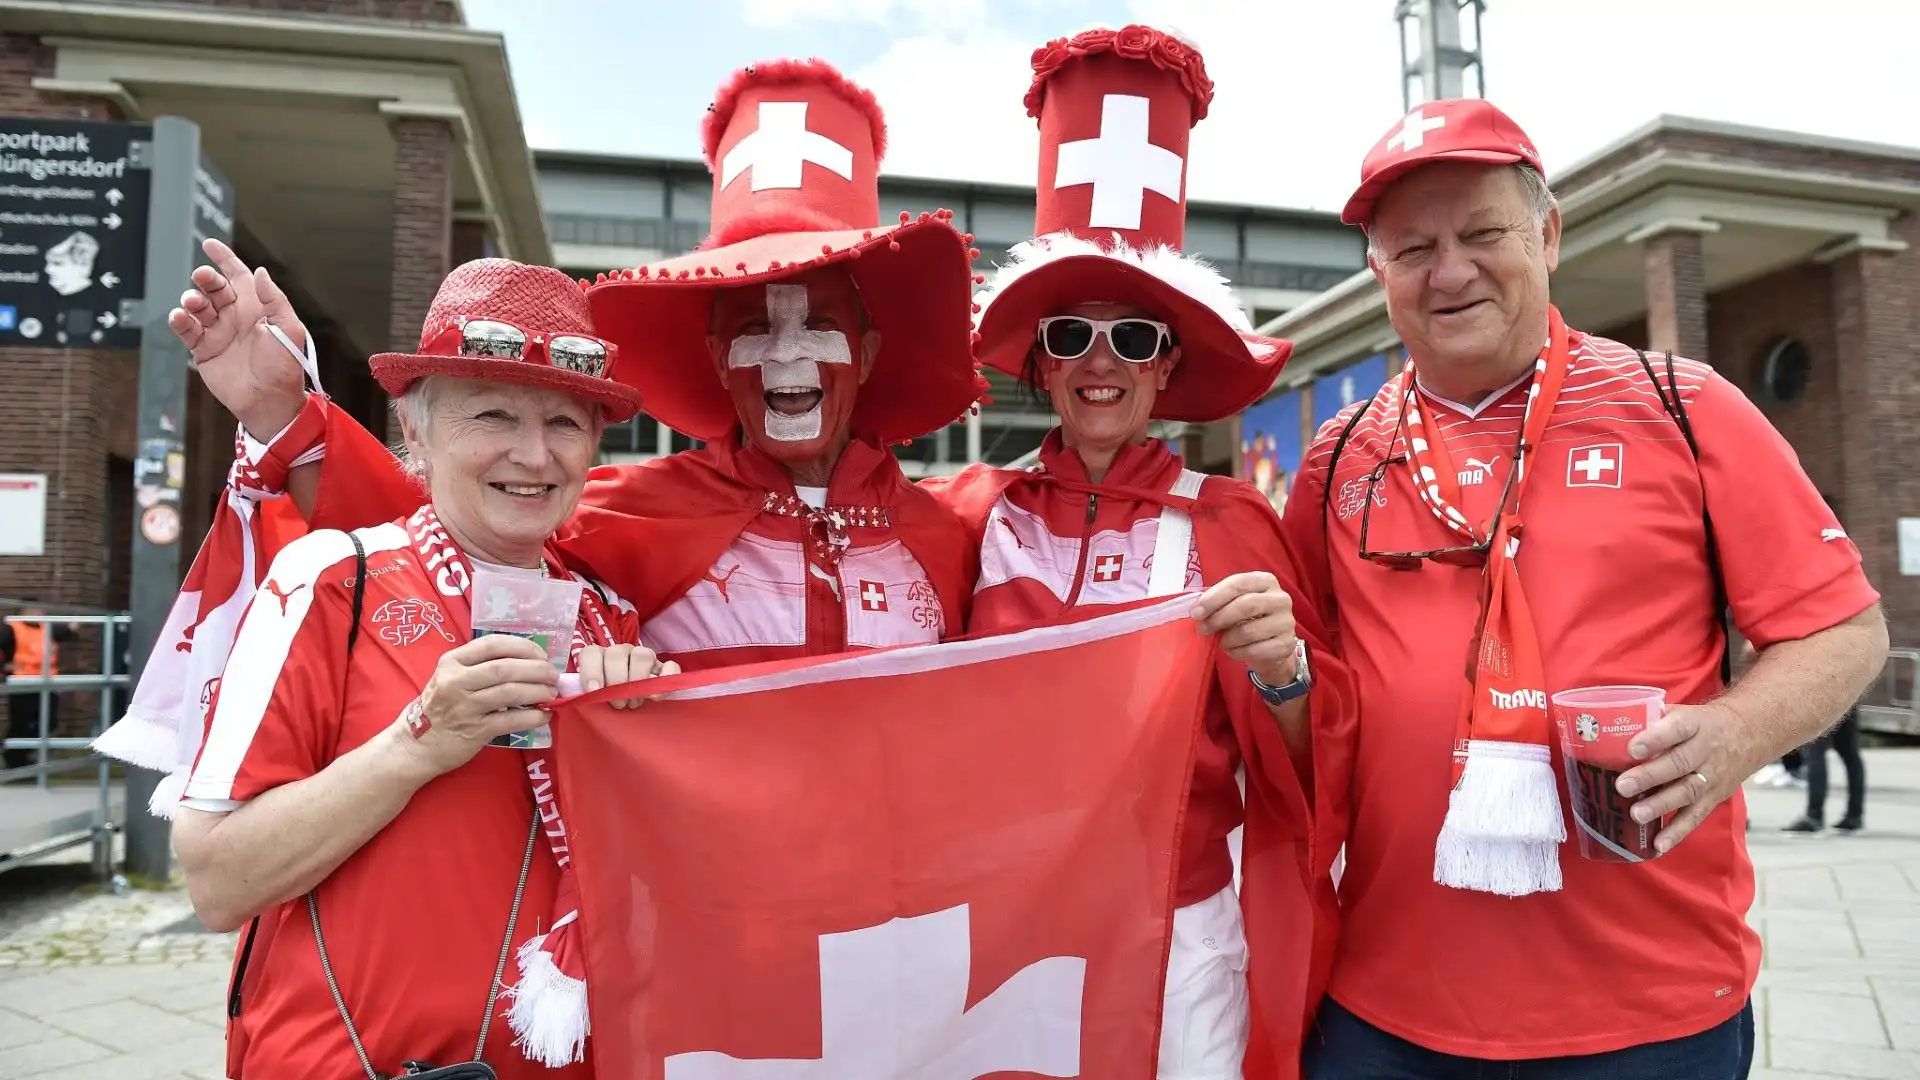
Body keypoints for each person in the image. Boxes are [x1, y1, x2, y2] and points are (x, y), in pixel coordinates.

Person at [114, 58, 986, 1065]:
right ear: (712, 356)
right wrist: (289, 417)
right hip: (665, 975)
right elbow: (442, 540)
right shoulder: (621, 518)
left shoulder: (954, 526)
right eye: (755, 329)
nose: (536, 457)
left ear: (869, 351)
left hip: (880, 940)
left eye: (819, 325)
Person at [1284, 98, 1888, 1078]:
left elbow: (1845, 631)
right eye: (1412, 249)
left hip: (1648, 1016)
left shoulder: (1684, 409)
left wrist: (1735, 735)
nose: (1450, 271)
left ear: (1549, 233)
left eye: (1483, 233)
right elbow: (1303, 698)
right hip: (1383, 1012)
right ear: (1376, 271)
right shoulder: (1338, 457)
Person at [925, 26, 1356, 1080]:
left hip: (1183, 934)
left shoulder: (1233, 522)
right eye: (1071, 336)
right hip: (1001, 928)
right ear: (1038, 363)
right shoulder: (966, 514)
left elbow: (1315, 758)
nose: (1102, 362)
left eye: (1136, 338)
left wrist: (1285, 670)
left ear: (1169, 368)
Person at [166, 258, 669, 1078]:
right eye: (494, 415)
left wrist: (646, 754)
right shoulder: (332, 579)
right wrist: (418, 744)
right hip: (345, 1062)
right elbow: (217, 881)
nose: (534, 455)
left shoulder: (609, 613)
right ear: (416, 434)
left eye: (566, 424)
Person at [1, 607, 80, 772]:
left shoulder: (47, 628)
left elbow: (69, 632)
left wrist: (75, 623)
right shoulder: (11, 629)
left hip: (46, 685)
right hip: (22, 684)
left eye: (40, 612)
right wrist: (5, 668)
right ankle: (14, 758)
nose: (39, 615)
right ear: (22, 613)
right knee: (23, 722)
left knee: (49, 722)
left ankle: (20, 755)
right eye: (33, 612)